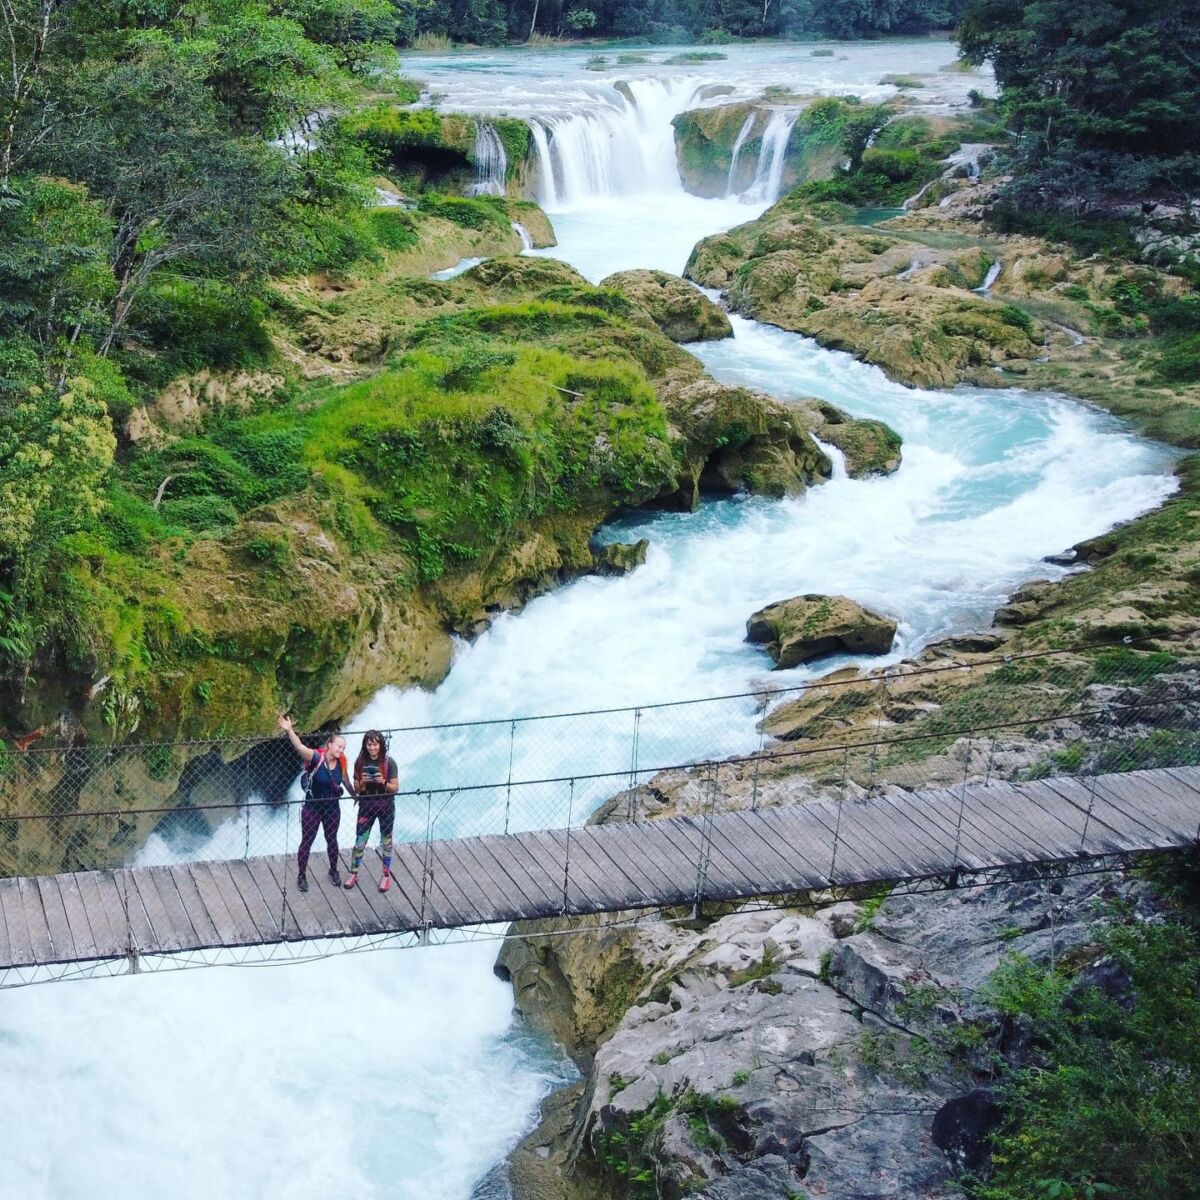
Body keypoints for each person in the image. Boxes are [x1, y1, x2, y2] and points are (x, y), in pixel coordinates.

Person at [278, 714, 352, 892]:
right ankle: (301, 875)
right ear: (329, 744)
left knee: (332, 840)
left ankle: (333, 871)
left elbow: (347, 782)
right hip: (312, 808)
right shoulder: (316, 759)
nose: (341, 750)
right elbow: (299, 746)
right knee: (307, 841)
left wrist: (358, 797)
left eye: (343, 747)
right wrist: (289, 730)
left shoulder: (341, 764)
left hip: (332, 809)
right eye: (339, 746)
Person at [345, 730, 399, 893]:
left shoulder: (390, 763)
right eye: (369, 744)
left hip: (385, 805)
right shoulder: (359, 762)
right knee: (359, 842)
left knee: (387, 841)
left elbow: (395, 788)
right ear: (365, 745)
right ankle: (353, 873)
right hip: (367, 804)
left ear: (380, 745)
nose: (372, 748)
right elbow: (357, 789)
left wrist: (382, 781)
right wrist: (363, 782)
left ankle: (386, 876)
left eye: (375, 744)